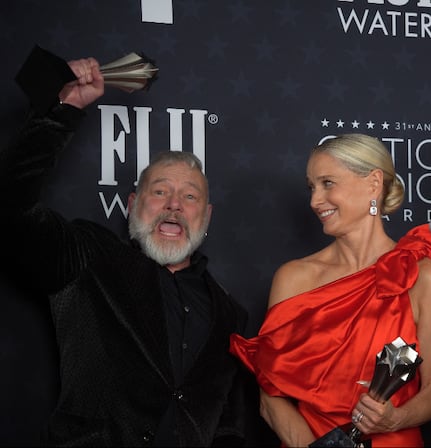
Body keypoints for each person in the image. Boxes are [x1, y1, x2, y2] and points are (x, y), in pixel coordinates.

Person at [0, 54, 248, 445]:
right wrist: (62, 112)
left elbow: (228, 427)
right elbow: (10, 209)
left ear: (208, 215)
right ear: (132, 204)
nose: (174, 205)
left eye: (189, 196)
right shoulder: (88, 257)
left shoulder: (231, 314)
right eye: (160, 191)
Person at [229, 133, 431, 447]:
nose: (315, 201)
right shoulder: (293, 278)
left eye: (328, 183)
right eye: (311, 187)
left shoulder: (425, 276)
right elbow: (270, 397)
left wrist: (395, 418)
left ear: (373, 183)